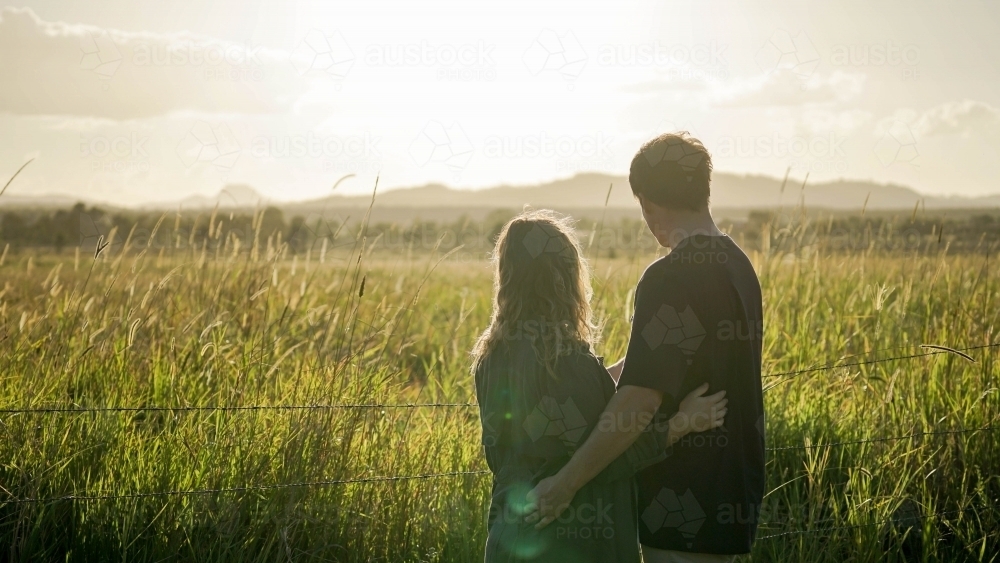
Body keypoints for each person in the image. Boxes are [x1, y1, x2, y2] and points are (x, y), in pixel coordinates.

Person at [524, 133, 766, 563]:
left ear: (647, 202)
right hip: (732, 493)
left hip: (680, 502)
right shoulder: (737, 264)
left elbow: (640, 398)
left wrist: (564, 484)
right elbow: (658, 367)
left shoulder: (669, 277)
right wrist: (595, 375)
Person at [472, 209, 730, 563]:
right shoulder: (563, 359)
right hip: (570, 541)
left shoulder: (494, 352)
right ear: (564, 277)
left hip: (509, 537)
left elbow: (565, 409)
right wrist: (683, 424)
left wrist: (641, 365)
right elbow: (608, 453)